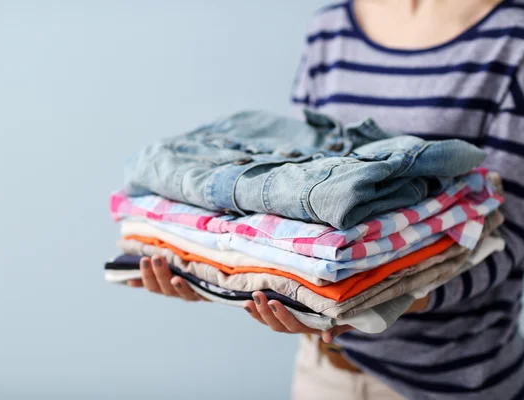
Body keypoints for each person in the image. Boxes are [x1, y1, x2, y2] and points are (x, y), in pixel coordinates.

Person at [127, 1, 524, 398]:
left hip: (452, 382)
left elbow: (510, 238)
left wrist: (373, 299)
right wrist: (205, 271)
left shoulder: (513, 37)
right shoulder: (331, 27)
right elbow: (299, 199)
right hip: (321, 373)